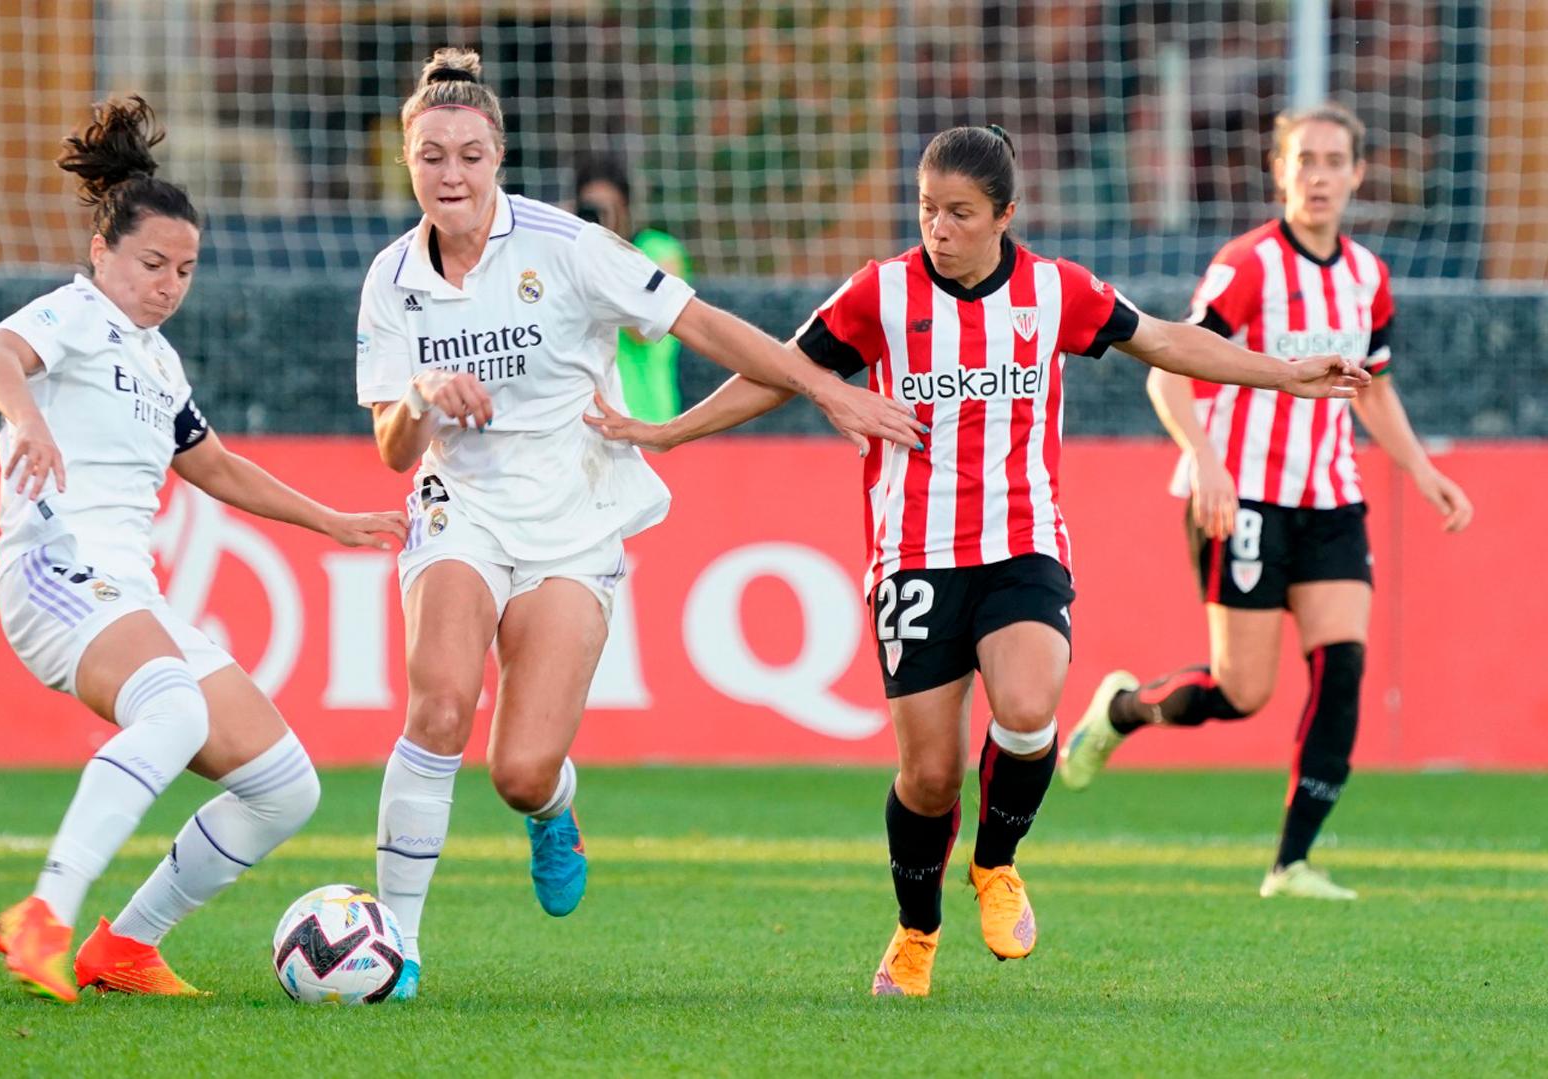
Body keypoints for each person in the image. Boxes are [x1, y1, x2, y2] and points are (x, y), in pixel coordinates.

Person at [585, 124, 1370, 997]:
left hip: (1022, 542)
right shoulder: (878, 296)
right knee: (926, 774)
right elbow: (779, 370)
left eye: (960, 213)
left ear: (1005, 215)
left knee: (1031, 707)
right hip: (912, 556)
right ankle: (916, 930)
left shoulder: (1053, 291)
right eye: (928, 209)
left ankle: (996, 863)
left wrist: (1282, 372)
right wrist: (671, 432)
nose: (940, 229)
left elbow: (1167, 340)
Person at [357, 49, 923, 1003]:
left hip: (576, 515)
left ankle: (554, 807)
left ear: (499, 155)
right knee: (439, 707)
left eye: (468, 155)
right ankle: (394, 950)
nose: (449, 175)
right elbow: (392, 448)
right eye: (430, 157)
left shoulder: (568, 246)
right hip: (461, 510)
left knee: (521, 768)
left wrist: (826, 387)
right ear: (408, 162)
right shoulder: (391, 279)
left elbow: (703, 325)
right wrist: (419, 393)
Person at [0, 96, 405, 1003]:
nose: (168, 284)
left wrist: (334, 521)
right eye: (152, 263)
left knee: (285, 786)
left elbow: (217, 467)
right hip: (51, 569)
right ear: (102, 254)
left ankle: (124, 945)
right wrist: (29, 421)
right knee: (170, 709)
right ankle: (41, 914)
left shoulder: (161, 363)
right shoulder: (76, 314)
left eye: (186, 269)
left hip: (130, 590)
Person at [1058, 104, 1472, 900]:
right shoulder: (1248, 266)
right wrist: (1204, 457)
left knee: (1342, 664)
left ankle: (1292, 863)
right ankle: (1124, 707)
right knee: (1242, 691)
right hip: (1240, 494)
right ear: (1279, 171)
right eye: (1303, 160)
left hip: (1329, 499)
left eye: (1333, 161)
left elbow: (1372, 387)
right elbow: (1167, 367)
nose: (1317, 175)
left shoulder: (1368, 277)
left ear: (1356, 174)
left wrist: (1422, 470)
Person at [574, 153, 690, 422]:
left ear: (625, 208)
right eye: (590, 208)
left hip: (646, 415)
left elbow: (642, 328)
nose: (599, 218)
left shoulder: (659, 250)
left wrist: (603, 250)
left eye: (607, 209)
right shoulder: (570, 257)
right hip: (586, 418)